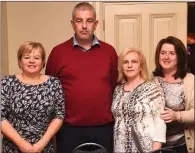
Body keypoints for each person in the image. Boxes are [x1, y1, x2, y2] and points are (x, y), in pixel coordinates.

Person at [45, 2, 118, 153]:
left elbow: (113, 85)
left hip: (103, 127)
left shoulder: (109, 51)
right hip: (68, 128)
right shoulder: (58, 52)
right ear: (73, 24)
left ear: (96, 23)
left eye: (89, 21)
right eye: (79, 21)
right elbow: (50, 91)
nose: (84, 26)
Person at [1, 41, 65, 153]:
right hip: (13, 147)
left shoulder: (54, 83)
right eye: (27, 57)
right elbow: (1, 117)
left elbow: (59, 115)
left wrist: (42, 143)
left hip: (43, 147)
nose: (32, 61)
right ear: (20, 62)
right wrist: (22, 144)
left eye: (36, 57)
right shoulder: (7, 83)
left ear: (43, 62)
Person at [112, 48, 166, 153]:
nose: (129, 65)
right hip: (120, 148)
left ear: (141, 66)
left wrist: (155, 151)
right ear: (121, 67)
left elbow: (160, 123)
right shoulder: (118, 90)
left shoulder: (152, 88)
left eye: (134, 62)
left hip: (145, 148)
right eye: (125, 62)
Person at [153, 36, 194, 153]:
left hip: (182, 145)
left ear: (179, 56)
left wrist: (177, 116)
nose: (166, 57)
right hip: (155, 145)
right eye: (163, 53)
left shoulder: (191, 81)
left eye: (172, 53)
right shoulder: (150, 80)